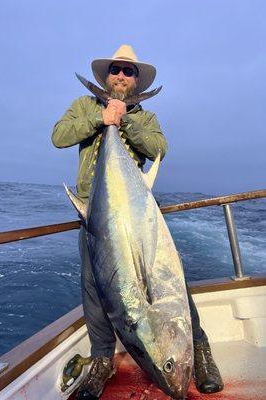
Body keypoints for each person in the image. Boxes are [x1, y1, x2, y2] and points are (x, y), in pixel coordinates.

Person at [52, 45, 224, 400]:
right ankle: (102, 361)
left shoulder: (145, 117)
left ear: (136, 81)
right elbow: (59, 137)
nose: (121, 76)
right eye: (116, 69)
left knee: (166, 281)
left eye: (128, 72)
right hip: (96, 215)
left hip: (140, 215)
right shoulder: (85, 105)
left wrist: (124, 119)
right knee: (96, 290)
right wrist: (101, 119)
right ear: (106, 76)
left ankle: (200, 349)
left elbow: (159, 148)